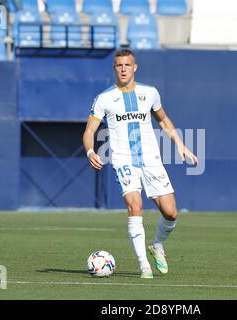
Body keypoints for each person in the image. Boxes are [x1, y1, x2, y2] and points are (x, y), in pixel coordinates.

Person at [82, 49, 198, 279]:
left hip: (151, 160)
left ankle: (156, 245)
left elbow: (163, 119)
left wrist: (179, 143)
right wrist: (89, 150)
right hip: (124, 161)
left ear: (135, 67)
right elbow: (90, 130)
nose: (123, 69)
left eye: (127, 65)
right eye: (119, 65)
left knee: (171, 213)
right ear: (114, 68)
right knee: (134, 206)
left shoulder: (150, 93)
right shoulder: (104, 98)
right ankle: (144, 265)